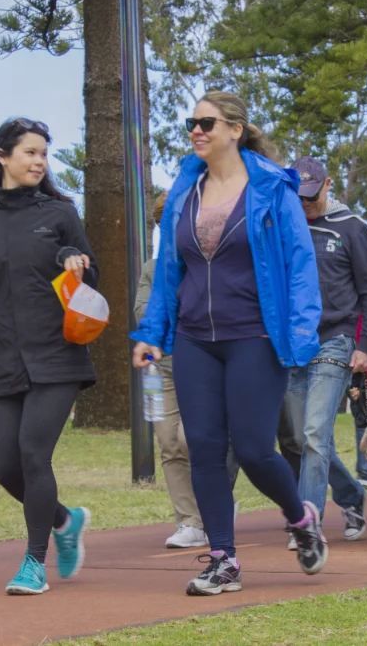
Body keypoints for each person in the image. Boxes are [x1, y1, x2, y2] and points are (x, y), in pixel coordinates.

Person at [131, 91, 328, 595]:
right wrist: (152, 334)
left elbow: (301, 265)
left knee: (256, 448)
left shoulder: (271, 188)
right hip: (195, 338)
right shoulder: (184, 192)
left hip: (254, 336)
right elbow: (168, 271)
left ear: (235, 129)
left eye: (207, 122)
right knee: (204, 450)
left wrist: (303, 332)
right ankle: (223, 558)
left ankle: (300, 518)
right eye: (192, 123)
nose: (197, 131)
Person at [0, 117, 96, 595]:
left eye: (43, 153)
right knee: (4, 466)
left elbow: (89, 282)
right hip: (5, 361)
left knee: (34, 454)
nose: (39, 161)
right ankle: (64, 519)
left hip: (58, 355)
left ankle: (34, 563)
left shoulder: (60, 215)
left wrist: (71, 262)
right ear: (3, 156)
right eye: (30, 152)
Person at [282, 156, 367, 549]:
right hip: (292, 344)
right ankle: (352, 495)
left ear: (327, 186)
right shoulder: (284, 226)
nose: (304, 203)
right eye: (297, 196)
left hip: (335, 339)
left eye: (310, 195)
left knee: (312, 434)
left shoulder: (352, 229)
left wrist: (366, 345)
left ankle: (308, 524)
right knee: (307, 439)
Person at [134, 192, 243, 549]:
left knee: (190, 439)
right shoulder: (152, 270)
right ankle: (189, 522)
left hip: (200, 362)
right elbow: (142, 312)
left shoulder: (205, 262)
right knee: (168, 443)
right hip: (158, 368)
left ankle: (215, 508)